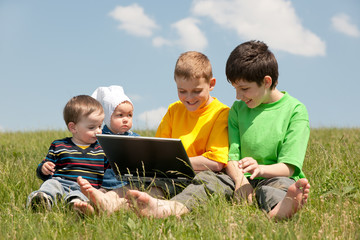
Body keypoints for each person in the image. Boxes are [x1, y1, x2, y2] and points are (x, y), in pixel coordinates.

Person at [75, 51, 232, 217]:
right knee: (146, 182)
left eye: (196, 91)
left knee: (207, 182)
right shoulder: (174, 109)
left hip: (200, 174)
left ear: (212, 84)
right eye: (182, 91)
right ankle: (110, 201)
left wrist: (173, 162)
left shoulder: (220, 113)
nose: (189, 97)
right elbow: (158, 148)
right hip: (171, 175)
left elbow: (216, 163)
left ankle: (162, 208)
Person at [224, 40, 311, 219]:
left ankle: (281, 208)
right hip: (240, 178)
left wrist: (260, 170)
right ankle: (172, 206)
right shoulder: (237, 110)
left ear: (266, 81)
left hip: (275, 176)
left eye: (244, 89)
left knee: (275, 187)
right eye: (235, 88)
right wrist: (241, 181)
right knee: (212, 180)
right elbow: (232, 157)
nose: (238, 96)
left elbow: (288, 167)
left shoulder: (295, 111)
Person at [26, 95, 108, 210]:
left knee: (81, 195)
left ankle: (76, 206)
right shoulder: (59, 145)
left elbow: (112, 173)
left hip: (86, 187)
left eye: (100, 126)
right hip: (61, 183)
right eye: (92, 127)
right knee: (51, 184)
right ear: (73, 128)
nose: (98, 131)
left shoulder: (103, 149)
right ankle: (43, 200)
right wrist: (44, 168)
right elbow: (45, 170)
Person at [91, 85, 139, 191]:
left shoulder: (135, 138)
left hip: (129, 183)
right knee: (98, 195)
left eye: (129, 115)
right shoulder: (100, 138)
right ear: (108, 116)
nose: (126, 119)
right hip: (105, 184)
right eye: (120, 115)